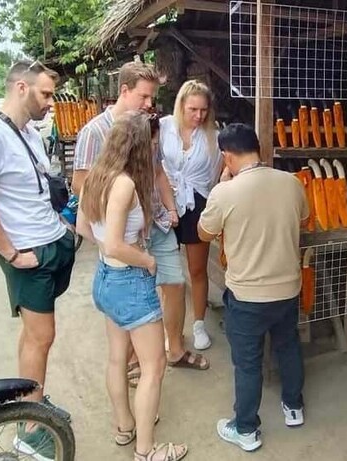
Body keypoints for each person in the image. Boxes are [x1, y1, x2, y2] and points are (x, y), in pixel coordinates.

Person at [0, 59, 76, 457]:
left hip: (48, 243)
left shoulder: (26, 131)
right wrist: (11, 252)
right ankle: (29, 428)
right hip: (28, 253)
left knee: (34, 336)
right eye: (46, 94)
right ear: (21, 89)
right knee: (41, 337)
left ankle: (33, 401)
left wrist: (63, 229)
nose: (51, 102)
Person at [74, 61, 207, 382]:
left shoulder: (149, 126)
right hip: (127, 233)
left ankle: (173, 349)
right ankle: (136, 365)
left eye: (153, 98)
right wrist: (116, 224)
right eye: (145, 97)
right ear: (124, 91)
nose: (151, 104)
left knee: (174, 283)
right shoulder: (95, 131)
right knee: (134, 302)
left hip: (156, 221)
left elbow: (158, 171)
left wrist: (171, 208)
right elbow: (82, 184)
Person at [75, 111, 188, 461]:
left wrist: (120, 250)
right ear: (140, 144)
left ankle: (125, 427)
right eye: (152, 143)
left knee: (116, 359)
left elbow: (83, 229)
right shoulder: (123, 184)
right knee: (154, 367)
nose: (156, 148)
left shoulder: (96, 176)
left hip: (106, 279)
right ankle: (147, 450)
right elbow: (114, 243)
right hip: (129, 280)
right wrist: (147, 261)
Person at [197, 124, 309, 452]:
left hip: (247, 296)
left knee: (247, 362)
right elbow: (303, 221)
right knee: (288, 347)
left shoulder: (225, 192)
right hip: (288, 289)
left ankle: (246, 428)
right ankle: (294, 408)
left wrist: (220, 187)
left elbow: (204, 234)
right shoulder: (291, 182)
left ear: (227, 156)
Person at [159, 79, 222, 356]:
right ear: (181, 105)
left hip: (197, 202)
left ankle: (198, 324)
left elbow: (217, 174)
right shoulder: (163, 128)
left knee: (197, 269)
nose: (198, 116)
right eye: (193, 109)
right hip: (166, 201)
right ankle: (171, 329)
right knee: (169, 272)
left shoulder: (213, 136)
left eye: (204, 110)